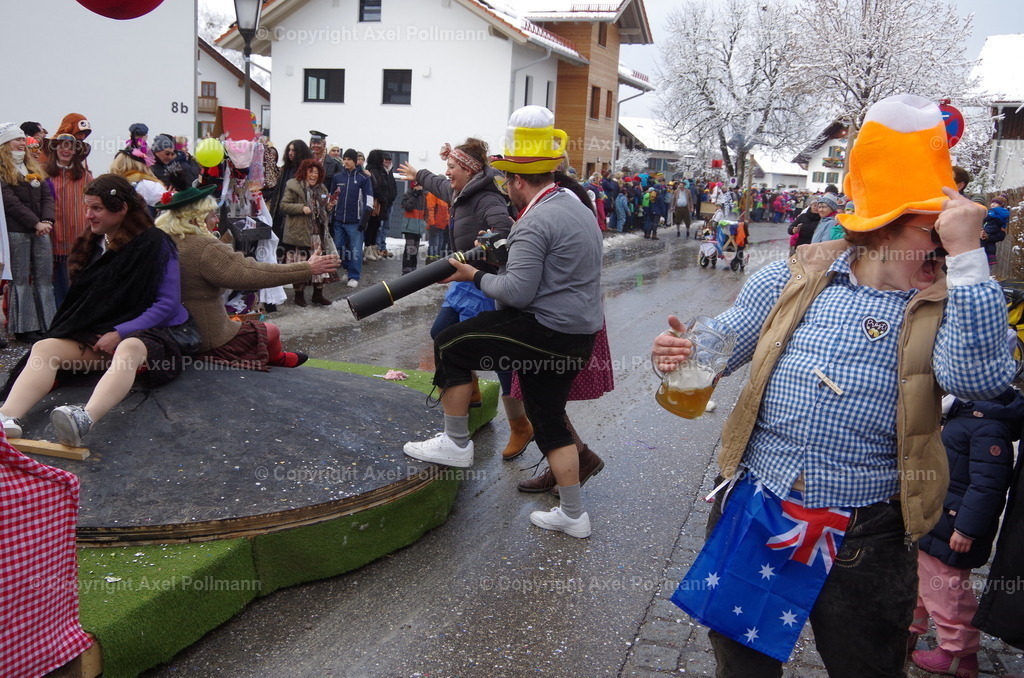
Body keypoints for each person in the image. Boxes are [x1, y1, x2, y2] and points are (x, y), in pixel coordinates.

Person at [651, 94, 1016, 676]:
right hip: (760, 506)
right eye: (936, 232)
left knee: (865, 668)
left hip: (865, 534)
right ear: (883, 227)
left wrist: (970, 256)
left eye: (954, 237)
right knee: (741, 668)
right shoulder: (797, 277)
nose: (946, 248)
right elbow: (724, 341)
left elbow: (983, 379)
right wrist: (683, 351)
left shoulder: (951, 299)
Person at [403, 106, 604, 538]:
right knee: (548, 418)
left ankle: (456, 443)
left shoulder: (536, 219)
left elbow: (516, 292)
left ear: (516, 179)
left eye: (506, 181)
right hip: (579, 336)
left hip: (547, 333)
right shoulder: (574, 202)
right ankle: (573, 515)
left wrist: (473, 273)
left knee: (452, 342)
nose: (505, 189)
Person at [0, 174, 191, 447]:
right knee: (44, 349)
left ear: (122, 208)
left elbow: (167, 304)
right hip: (101, 334)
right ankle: (6, 419)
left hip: (155, 331)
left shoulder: (156, 242)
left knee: (130, 348)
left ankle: (83, 420)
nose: (88, 215)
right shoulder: (91, 244)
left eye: (97, 208)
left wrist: (120, 332)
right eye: (87, 207)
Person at [399, 138, 526, 459]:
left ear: (468, 171)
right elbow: (438, 184)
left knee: (500, 361)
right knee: (440, 334)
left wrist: (488, 241)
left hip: (484, 285)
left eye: (452, 167)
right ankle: (468, 392)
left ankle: (520, 424)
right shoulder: (461, 192)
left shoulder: (486, 198)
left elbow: (506, 231)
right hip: (463, 282)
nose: (447, 172)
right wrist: (418, 173)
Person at [155, 185, 339, 369]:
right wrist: (307, 268)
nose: (217, 219)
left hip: (170, 332)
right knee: (271, 331)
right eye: (212, 215)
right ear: (196, 219)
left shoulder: (162, 241)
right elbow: (251, 273)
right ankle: (278, 359)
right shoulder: (203, 247)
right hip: (204, 339)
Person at [909, 385, 1023, 678]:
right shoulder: (965, 411)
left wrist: (966, 529)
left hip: (954, 527)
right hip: (937, 518)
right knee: (920, 579)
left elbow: (987, 486)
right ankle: (907, 630)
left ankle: (958, 653)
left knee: (947, 590)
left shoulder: (989, 428)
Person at [0, 122, 57, 343]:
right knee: (21, 279)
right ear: (5, 144)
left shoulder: (33, 168)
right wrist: (35, 223)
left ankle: (47, 323)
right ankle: (24, 327)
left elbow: (46, 196)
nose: (22, 143)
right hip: (17, 232)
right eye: (17, 139)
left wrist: (46, 219)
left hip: (40, 230)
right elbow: (11, 204)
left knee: (44, 278)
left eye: (23, 139)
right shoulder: (3, 171)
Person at [43, 133, 93, 307]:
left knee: (78, 279)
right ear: (55, 148)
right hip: (53, 234)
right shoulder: (44, 174)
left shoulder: (85, 176)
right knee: (57, 280)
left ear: (75, 151)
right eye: (62, 145)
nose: (66, 150)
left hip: (78, 233)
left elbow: (93, 201)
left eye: (70, 146)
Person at [279, 159, 336, 307]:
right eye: (311, 172)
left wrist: (329, 206)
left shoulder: (322, 188)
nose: (314, 175)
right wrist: (301, 208)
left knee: (319, 263)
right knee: (301, 264)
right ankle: (299, 295)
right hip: (300, 232)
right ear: (304, 172)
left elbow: (323, 211)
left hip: (318, 232)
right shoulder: (293, 186)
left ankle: (318, 295)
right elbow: (283, 206)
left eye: (316, 172)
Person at [329, 148, 374, 288]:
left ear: (355, 161)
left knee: (355, 250)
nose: (346, 162)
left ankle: (354, 276)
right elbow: (332, 196)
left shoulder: (364, 178)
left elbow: (369, 200)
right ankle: (348, 268)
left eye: (349, 159)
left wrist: (364, 220)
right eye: (345, 159)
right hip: (338, 220)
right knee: (338, 248)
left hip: (355, 222)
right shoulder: (338, 177)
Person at [270, 139, 313, 240]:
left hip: (295, 217)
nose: (290, 153)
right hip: (280, 215)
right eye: (289, 150)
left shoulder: (306, 172)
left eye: (293, 150)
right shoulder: (285, 169)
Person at [364, 149, 397, 261]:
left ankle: (373, 249)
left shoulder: (380, 171)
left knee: (376, 226)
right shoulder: (373, 171)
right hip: (376, 203)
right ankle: (369, 249)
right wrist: (383, 199)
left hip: (383, 203)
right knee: (373, 227)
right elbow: (375, 187)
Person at [399, 181, 426, 274]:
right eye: (417, 186)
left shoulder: (423, 197)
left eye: (420, 186)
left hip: (418, 227)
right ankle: (406, 270)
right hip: (409, 227)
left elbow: (426, 211)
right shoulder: (408, 195)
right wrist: (414, 196)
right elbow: (407, 207)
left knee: (415, 249)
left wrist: (425, 222)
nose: (419, 188)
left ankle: (413, 268)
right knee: (410, 249)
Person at [981, 195, 1009, 268]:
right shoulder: (1003, 214)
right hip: (988, 238)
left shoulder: (993, 212)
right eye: (992, 202)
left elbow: (985, 218)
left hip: (988, 231)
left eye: (996, 203)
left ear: (1001, 205)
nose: (992, 204)